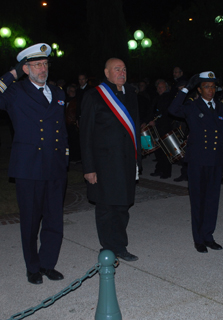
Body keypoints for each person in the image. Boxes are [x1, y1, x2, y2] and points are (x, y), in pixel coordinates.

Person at [0, 43, 69, 285]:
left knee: (54, 219)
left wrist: (66, 156)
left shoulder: (58, 93)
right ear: (26, 68)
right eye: (37, 64)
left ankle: (47, 263)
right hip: (29, 167)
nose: (43, 69)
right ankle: (32, 267)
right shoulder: (16, 92)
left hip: (55, 166)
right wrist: (13, 73)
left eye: (45, 64)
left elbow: (61, 130)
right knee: (31, 220)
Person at [80, 58, 141, 262]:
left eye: (124, 69)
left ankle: (120, 245)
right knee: (107, 208)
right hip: (104, 164)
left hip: (126, 162)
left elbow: (134, 130)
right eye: (117, 69)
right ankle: (109, 248)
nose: (122, 72)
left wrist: (138, 162)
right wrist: (89, 168)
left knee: (123, 205)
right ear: (106, 73)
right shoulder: (94, 96)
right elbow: (86, 135)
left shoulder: (131, 94)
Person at [169, 71, 223, 253]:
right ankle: (199, 239)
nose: (210, 90)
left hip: (216, 160)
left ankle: (208, 236)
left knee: (212, 201)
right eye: (206, 86)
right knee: (198, 201)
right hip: (197, 161)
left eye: (213, 87)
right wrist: (185, 88)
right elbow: (172, 109)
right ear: (199, 89)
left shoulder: (220, 107)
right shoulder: (192, 106)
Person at [150, 79, 174, 179]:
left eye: (161, 87)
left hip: (165, 127)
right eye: (158, 88)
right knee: (158, 150)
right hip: (156, 128)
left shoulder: (169, 98)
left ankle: (166, 172)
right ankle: (159, 169)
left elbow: (165, 112)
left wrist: (156, 120)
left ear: (166, 88)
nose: (159, 89)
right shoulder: (157, 98)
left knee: (166, 151)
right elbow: (151, 110)